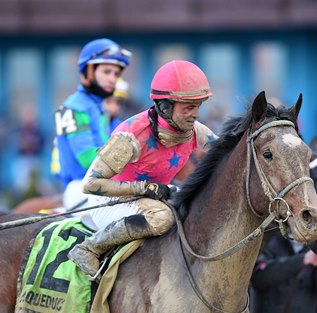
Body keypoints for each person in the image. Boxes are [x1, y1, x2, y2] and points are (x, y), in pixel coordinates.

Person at [67, 60, 217, 280]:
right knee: (163, 218)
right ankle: (89, 248)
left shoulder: (195, 131)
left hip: (149, 198)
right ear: (165, 106)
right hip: (109, 202)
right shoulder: (130, 136)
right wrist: (145, 188)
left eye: (198, 106)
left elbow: (226, 153)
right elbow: (90, 185)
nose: (195, 114)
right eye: (188, 107)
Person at [53, 38, 131, 211]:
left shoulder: (100, 108)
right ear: (88, 70)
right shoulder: (74, 107)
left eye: (116, 74)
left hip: (101, 186)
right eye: (107, 72)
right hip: (79, 189)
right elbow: (88, 158)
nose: (113, 79)